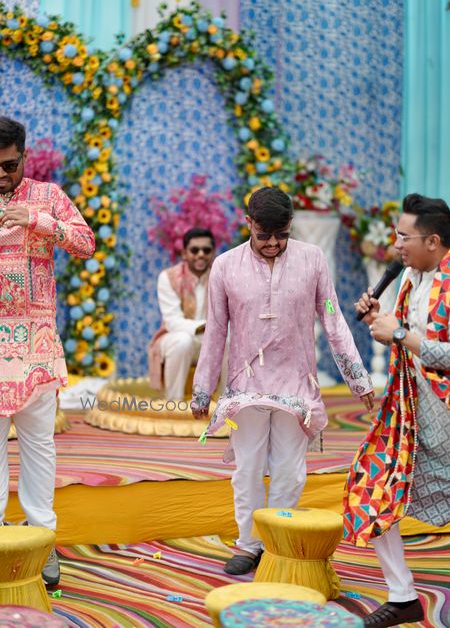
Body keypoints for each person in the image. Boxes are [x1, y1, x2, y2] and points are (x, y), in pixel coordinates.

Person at [190, 186, 374, 575]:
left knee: (290, 471)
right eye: (264, 235)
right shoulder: (225, 266)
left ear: (291, 225)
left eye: (282, 235)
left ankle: (277, 543)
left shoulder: (313, 260)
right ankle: (248, 545)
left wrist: (359, 380)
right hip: (246, 386)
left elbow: (332, 315)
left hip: (296, 385)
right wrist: (202, 391)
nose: (273, 243)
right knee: (248, 468)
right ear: (248, 223)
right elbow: (216, 331)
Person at [345, 193, 450, 627]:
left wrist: (401, 333)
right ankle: (403, 596)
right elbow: (403, 337)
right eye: (395, 235)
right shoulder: (409, 277)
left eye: (404, 237)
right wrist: (380, 322)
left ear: (433, 241)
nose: (396, 245)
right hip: (411, 412)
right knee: (373, 483)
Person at [0, 116, 95, 585]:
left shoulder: (48, 196)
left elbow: (86, 243)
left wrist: (38, 220)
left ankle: (42, 541)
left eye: (10, 165)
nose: (2, 175)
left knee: (39, 447)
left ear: (24, 156)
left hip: (36, 345)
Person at [148, 227, 217, 401]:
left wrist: (216, 331)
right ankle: (174, 404)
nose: (201, 254)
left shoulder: (220, 277)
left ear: (213, 253)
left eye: (206, 250)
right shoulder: (169, 277)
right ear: (184, 253)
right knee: (182, 341)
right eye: (194, 250)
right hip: (175, 338)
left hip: (210, 340)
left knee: (229, 341)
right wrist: (207, 326)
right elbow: (172, 322)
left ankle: (224, 406)